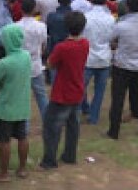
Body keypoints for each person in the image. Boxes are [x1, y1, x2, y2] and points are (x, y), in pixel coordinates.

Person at [42, 11, 87, 170]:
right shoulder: (85, 44)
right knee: (73, 125)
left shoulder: (63, 47)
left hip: (62, 93)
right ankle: (70, 155)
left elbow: (50, 64)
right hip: (77, 89)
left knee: (52, 127)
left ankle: (49, 160)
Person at [0, 23, 32, 182]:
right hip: (23, 106)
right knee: (23, 137)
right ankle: (21, 169)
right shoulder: (26, 56)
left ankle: (4, 173)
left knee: (5, 141)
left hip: (6, 108)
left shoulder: (4, 63)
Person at [106, 0, 138, 139]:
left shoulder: (121, 25)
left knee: (118, 99)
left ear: (127, 6)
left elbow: (111, 40)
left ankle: (114, 131)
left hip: (122, 65)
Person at [80, 0, 114, 125]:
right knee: (100, 90)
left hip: (88, 57)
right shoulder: (110, 18)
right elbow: (112, 39)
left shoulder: (86, 17)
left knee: (80, 87)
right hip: (104, 57)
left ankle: (81, 109)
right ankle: (93, 116)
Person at [15, 0, 48, 122]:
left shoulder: (16, 26)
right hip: (35, 63)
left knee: (23, 98)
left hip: (21, 64)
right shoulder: (40, 26)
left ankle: (24, 127)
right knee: (41, 95)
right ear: (34, 9)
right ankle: (48, 122)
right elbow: (44, 44)